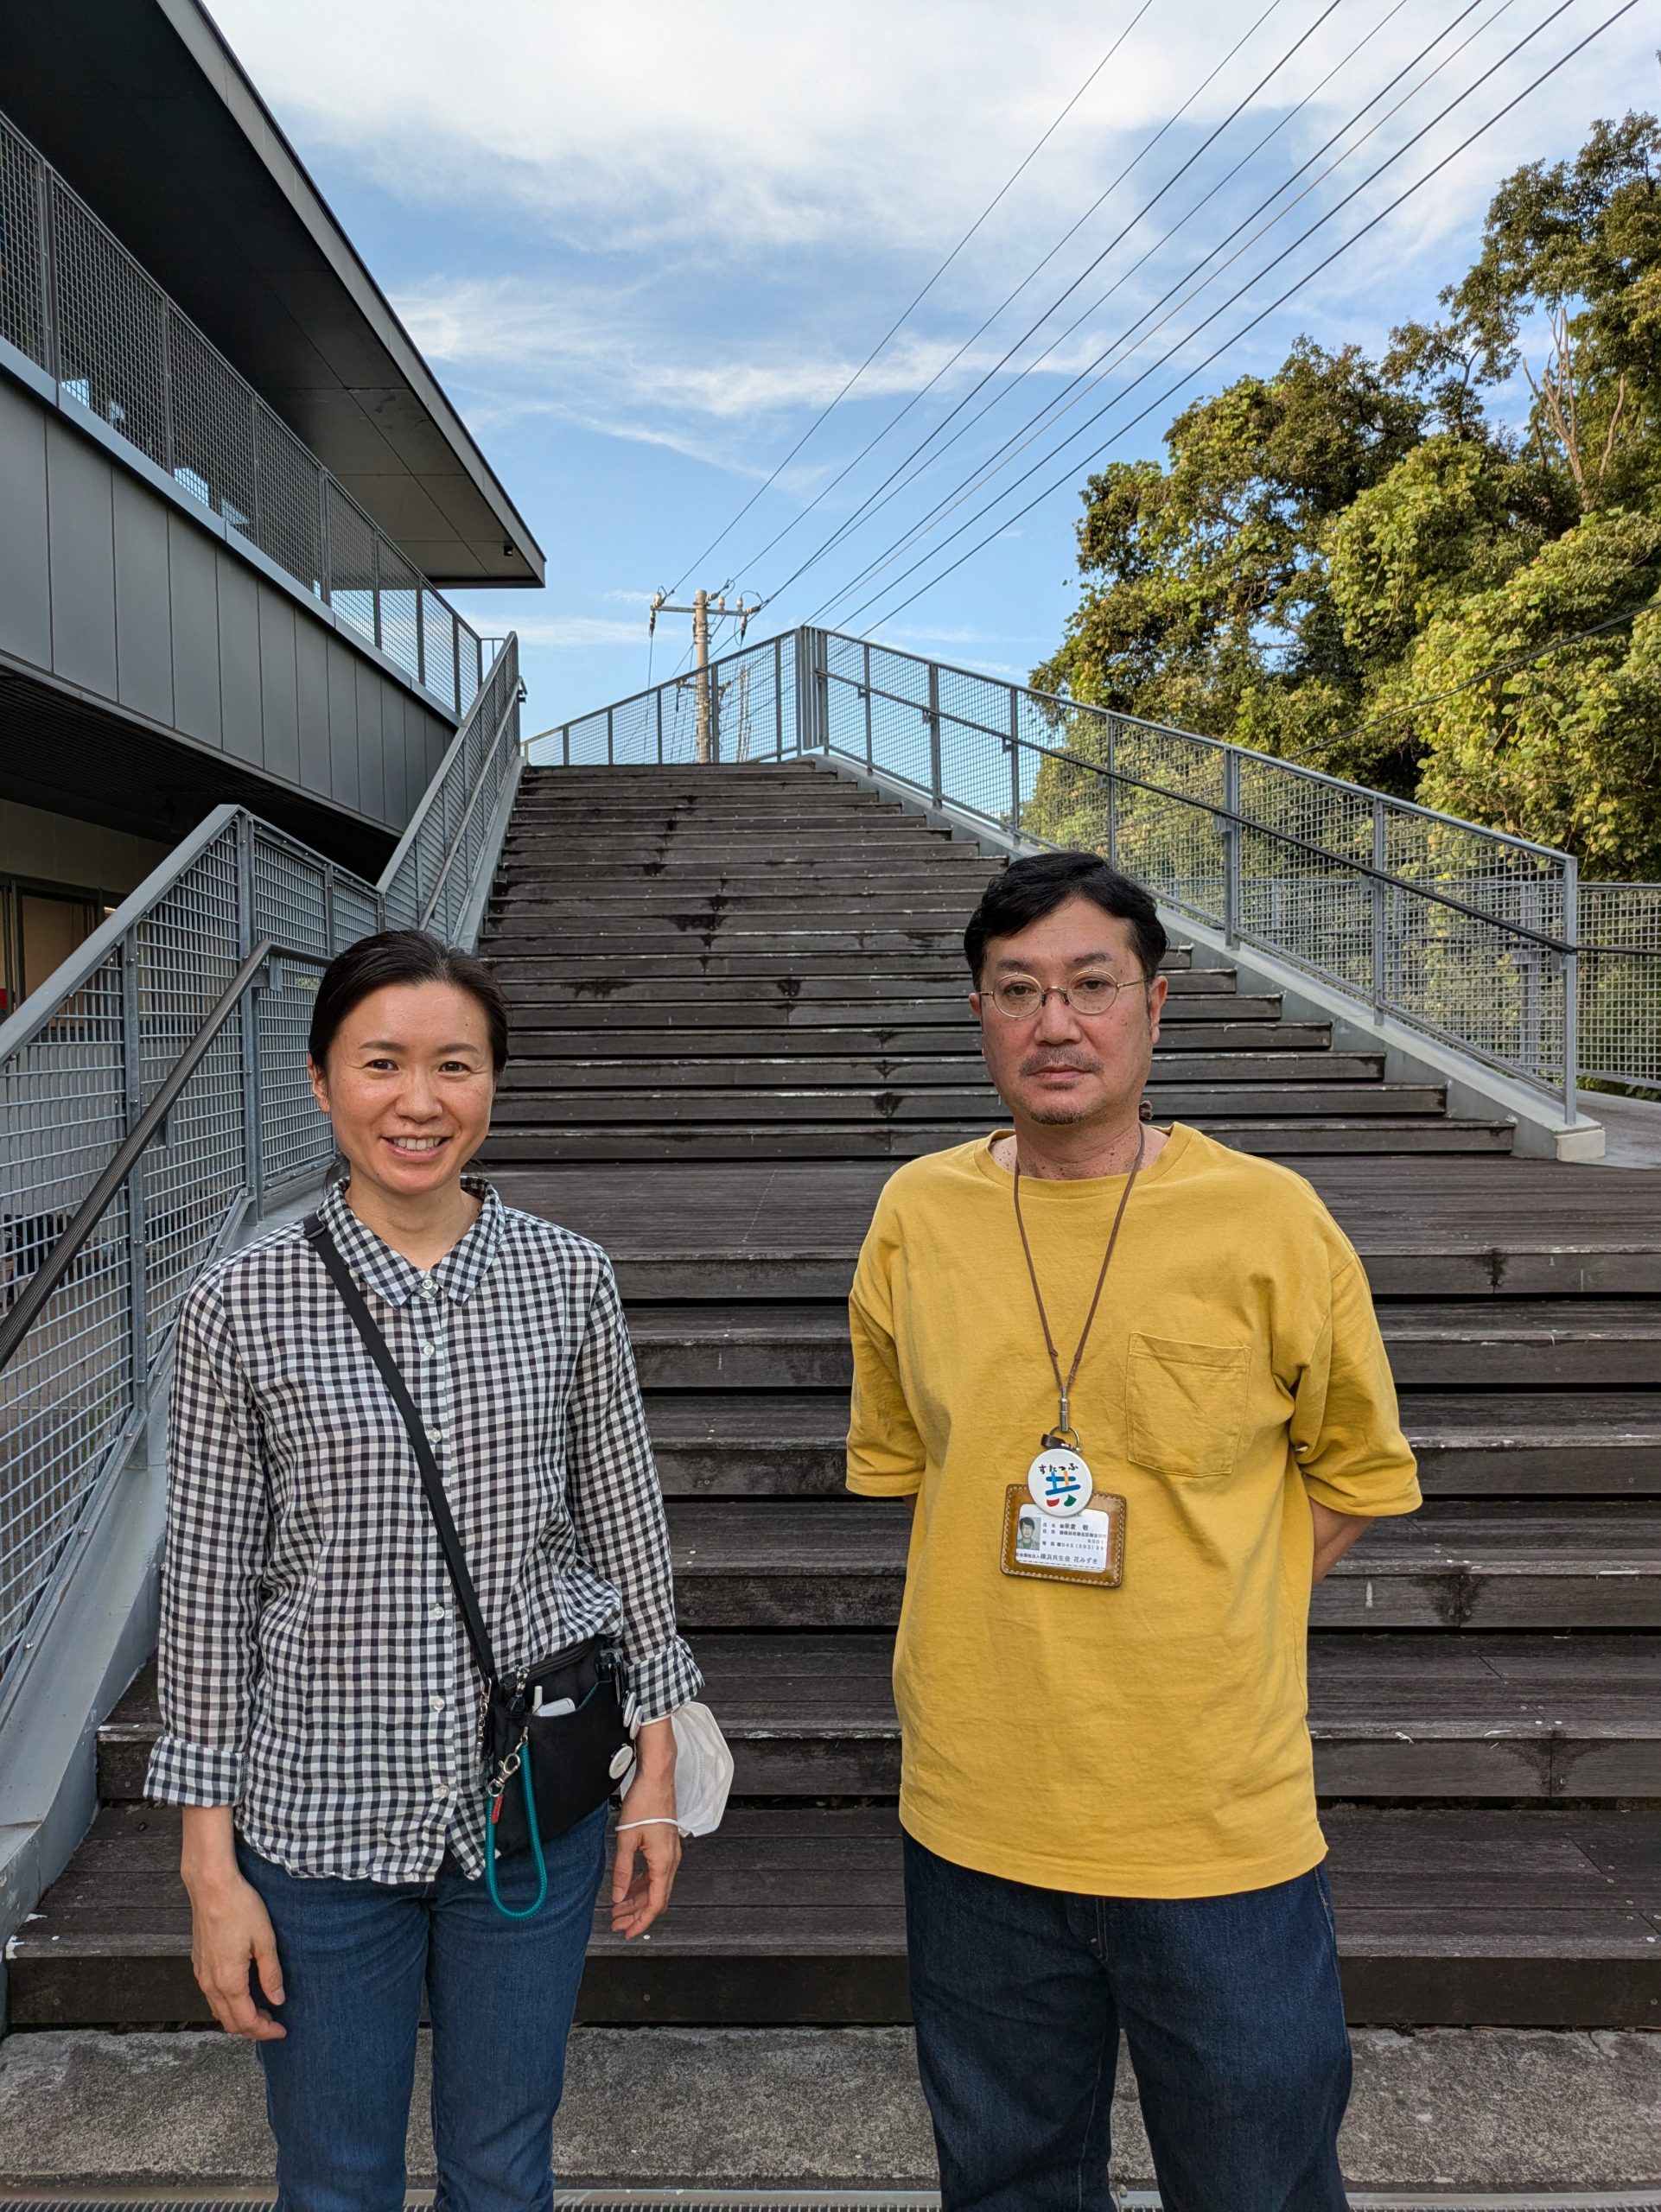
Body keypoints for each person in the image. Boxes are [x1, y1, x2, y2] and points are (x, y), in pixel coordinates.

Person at [846, 850, 1421, 2212]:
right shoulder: (916, 1218)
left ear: (1155, 1007)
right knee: (1007, 2181)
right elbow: (918, 1471)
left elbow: (1354, 1474)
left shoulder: (1269, 1221)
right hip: (976, 1814)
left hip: (1211, 1818)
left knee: (1256, 2181)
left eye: (1090, 986)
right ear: (979, 1015)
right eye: (1017, 991)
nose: (1055, 1023)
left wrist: (1217, 1606)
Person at [148, 928, 701, 2212]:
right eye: (380, 1063)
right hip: (316, 1820)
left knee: (504, 2167)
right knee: (335, 2175)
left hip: (528, 1804)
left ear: (492, 1080)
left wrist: (657, 1771)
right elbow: (207, 1596)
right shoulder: (240, 1304)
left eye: (454, 1065)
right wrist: (208, 1869)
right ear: (319, 1079)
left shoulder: (568, 1279)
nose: (419, 1101)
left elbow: (627, 1529)